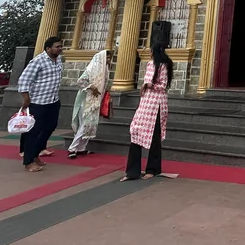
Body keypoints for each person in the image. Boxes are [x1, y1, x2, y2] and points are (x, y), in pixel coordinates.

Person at [121, 39, 172, 181]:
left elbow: (163, 85)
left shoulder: (163, 66)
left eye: (151, 50)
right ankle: (132, 171)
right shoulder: (149, 64)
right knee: (135, 131)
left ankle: (153, 169)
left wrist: (149, 85)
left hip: (157, 104)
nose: (149, 53)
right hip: (145, 103)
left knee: (155, 137)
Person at [16, 36, 64, 173]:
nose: (59, 49)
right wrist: (26, 99)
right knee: (33, 131)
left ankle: (36, 152)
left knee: (50, 126)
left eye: (60, 46)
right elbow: (24, 80)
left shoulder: (59, 59)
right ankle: (28, 161)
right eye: (57, 47)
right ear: (48, 48)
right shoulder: (38, 61)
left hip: (53, 100)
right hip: (38, 102)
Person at [68, 49, 111, 159]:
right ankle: (72, 148)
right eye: (107, 58)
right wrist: (92, 87)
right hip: (87, 101)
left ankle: (82, 148)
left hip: (96, 100)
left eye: (110, 58)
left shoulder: (105, 70)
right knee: (85, 125)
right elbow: (81, 81)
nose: (109, 60)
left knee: (91, 124)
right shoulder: (92, 69)